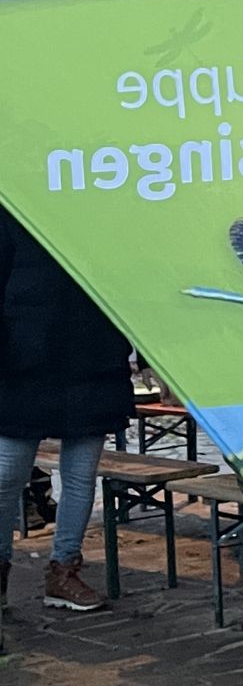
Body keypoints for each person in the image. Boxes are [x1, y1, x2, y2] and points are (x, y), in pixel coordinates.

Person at [0, 205, 132, 616]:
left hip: (92, 354)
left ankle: (64, 570)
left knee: (80, 475)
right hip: (22, 360)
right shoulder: (10, 209)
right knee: (6, 475)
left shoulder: (97, 206)